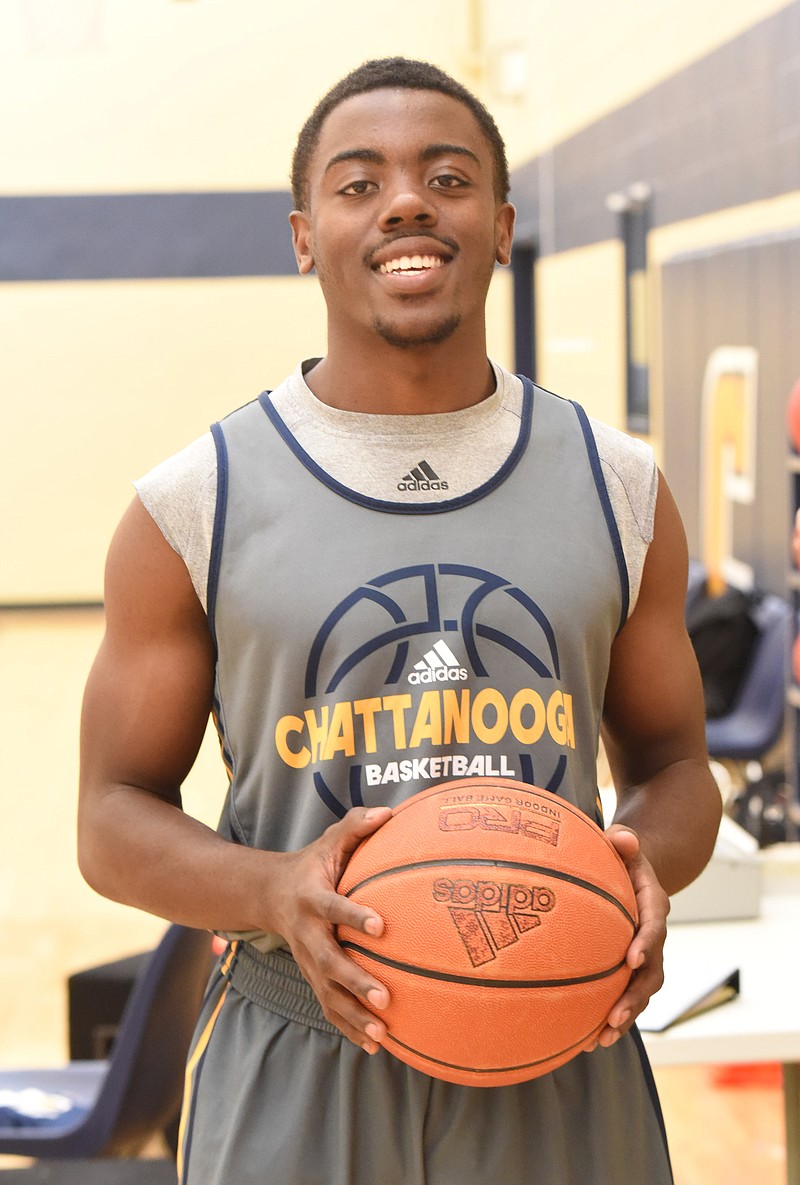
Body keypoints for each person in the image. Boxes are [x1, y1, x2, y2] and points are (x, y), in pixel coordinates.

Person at [78, 57, 721, 1185]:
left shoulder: (619, 486)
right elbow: (111, 818)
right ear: (301, 235)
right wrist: (273, 888)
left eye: (446, 177)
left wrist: (636, 878)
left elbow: (677, 771)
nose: (407, 203)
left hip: (555, 1033)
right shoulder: (192, 502)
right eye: (358, 183)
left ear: (503, 226)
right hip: (298, 1047)